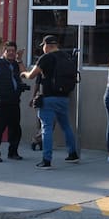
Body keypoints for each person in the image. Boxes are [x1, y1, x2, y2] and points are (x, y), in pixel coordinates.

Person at [20, 35, 79, 170]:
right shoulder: (66, 57)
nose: (43, 49)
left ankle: (46, 160)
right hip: (64, 97)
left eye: (43, 46)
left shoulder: (46, 58)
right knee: (66, 126)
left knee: (46, 128)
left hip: (48, 98)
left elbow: (31, 75)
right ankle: (73, 154)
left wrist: (23, 73)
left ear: (48, 45)